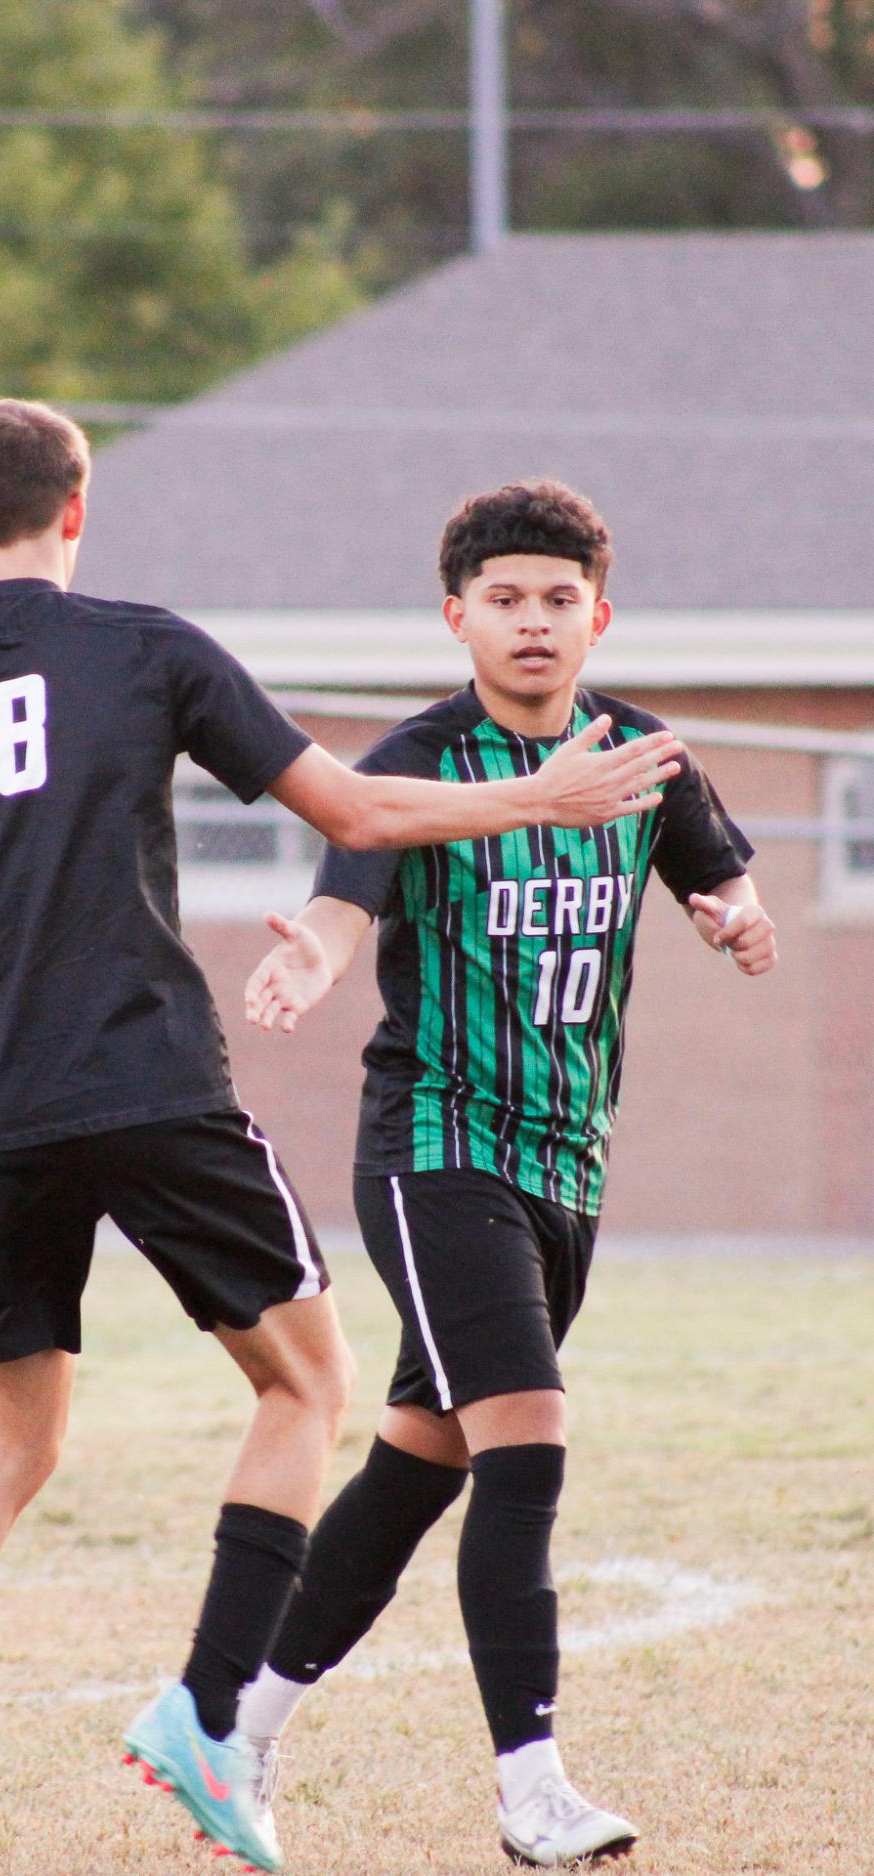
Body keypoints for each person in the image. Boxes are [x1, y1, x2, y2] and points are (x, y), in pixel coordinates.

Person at [0, 406, 683, 1876]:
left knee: (6, 1441)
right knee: (308, 1381)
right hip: (151, 1086)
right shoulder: (146, 646)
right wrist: (535, 794)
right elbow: (349, 808)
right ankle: (212, 1714)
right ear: (77, 511)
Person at [234, 478, 773, 1869]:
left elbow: (719, 873)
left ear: (599, 615)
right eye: (503, 599)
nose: (531, 622)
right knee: (526, 1441)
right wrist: (311, 955)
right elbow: (345, 895)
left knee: (420, 1468)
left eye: (556, 599)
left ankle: (232, 1725)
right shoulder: (411, 761)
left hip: (566, 1166)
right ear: (453, 617)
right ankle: (531, 1789)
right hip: (435, 1151)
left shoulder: (645, 752)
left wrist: (737, 915)